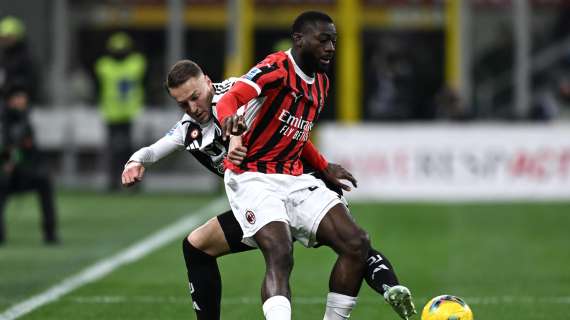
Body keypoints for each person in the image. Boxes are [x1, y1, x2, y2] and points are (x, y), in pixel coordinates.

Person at [122, 59, 414, 319]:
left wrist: (323, 167)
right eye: (182, 104)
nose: (192, 108)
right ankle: (390, 285)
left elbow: (291, 130)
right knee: (197, 246)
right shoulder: (190, 128)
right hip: (257, 198)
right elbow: (154, 149)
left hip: (297, 183)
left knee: (352, 243)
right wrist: (135, 162)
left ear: (208, 82)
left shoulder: (241, 93)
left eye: (195, 97)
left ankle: (390, 285)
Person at [216, 11, 415, 320]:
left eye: (334, 41)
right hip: (253, 175)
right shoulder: (276, 68)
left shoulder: (321, 83)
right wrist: (228, 116)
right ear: (300, 40)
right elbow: (231, 97)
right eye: (323, 40)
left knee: (356, 243)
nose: (330, 47)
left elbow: (297, 135)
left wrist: (323, 167)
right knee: (280, 250)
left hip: (294, 177)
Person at [0, 85, 58, 245]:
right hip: (7, 173)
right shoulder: (6, 121)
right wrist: (8, 162)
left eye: (23, 97)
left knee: (44, 181)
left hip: (23, 171)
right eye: (18, 97)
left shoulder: (25, 119)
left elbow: (30, 150)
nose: (22, 101)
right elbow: (7, 146)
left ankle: (50, 232)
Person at [95, 32, 147, 190]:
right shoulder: (106, 65)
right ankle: (113, 181)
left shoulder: (108, 65)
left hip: (130, 114)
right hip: (113, 113)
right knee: (114, 151)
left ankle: (133, 182)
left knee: (131, 151)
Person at [0, 16, 38, 102]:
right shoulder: (4, 56)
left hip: (18, 100)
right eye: (2, 38)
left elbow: (31, 81)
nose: (4, 41)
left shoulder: (25, 58)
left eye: (8, 37)